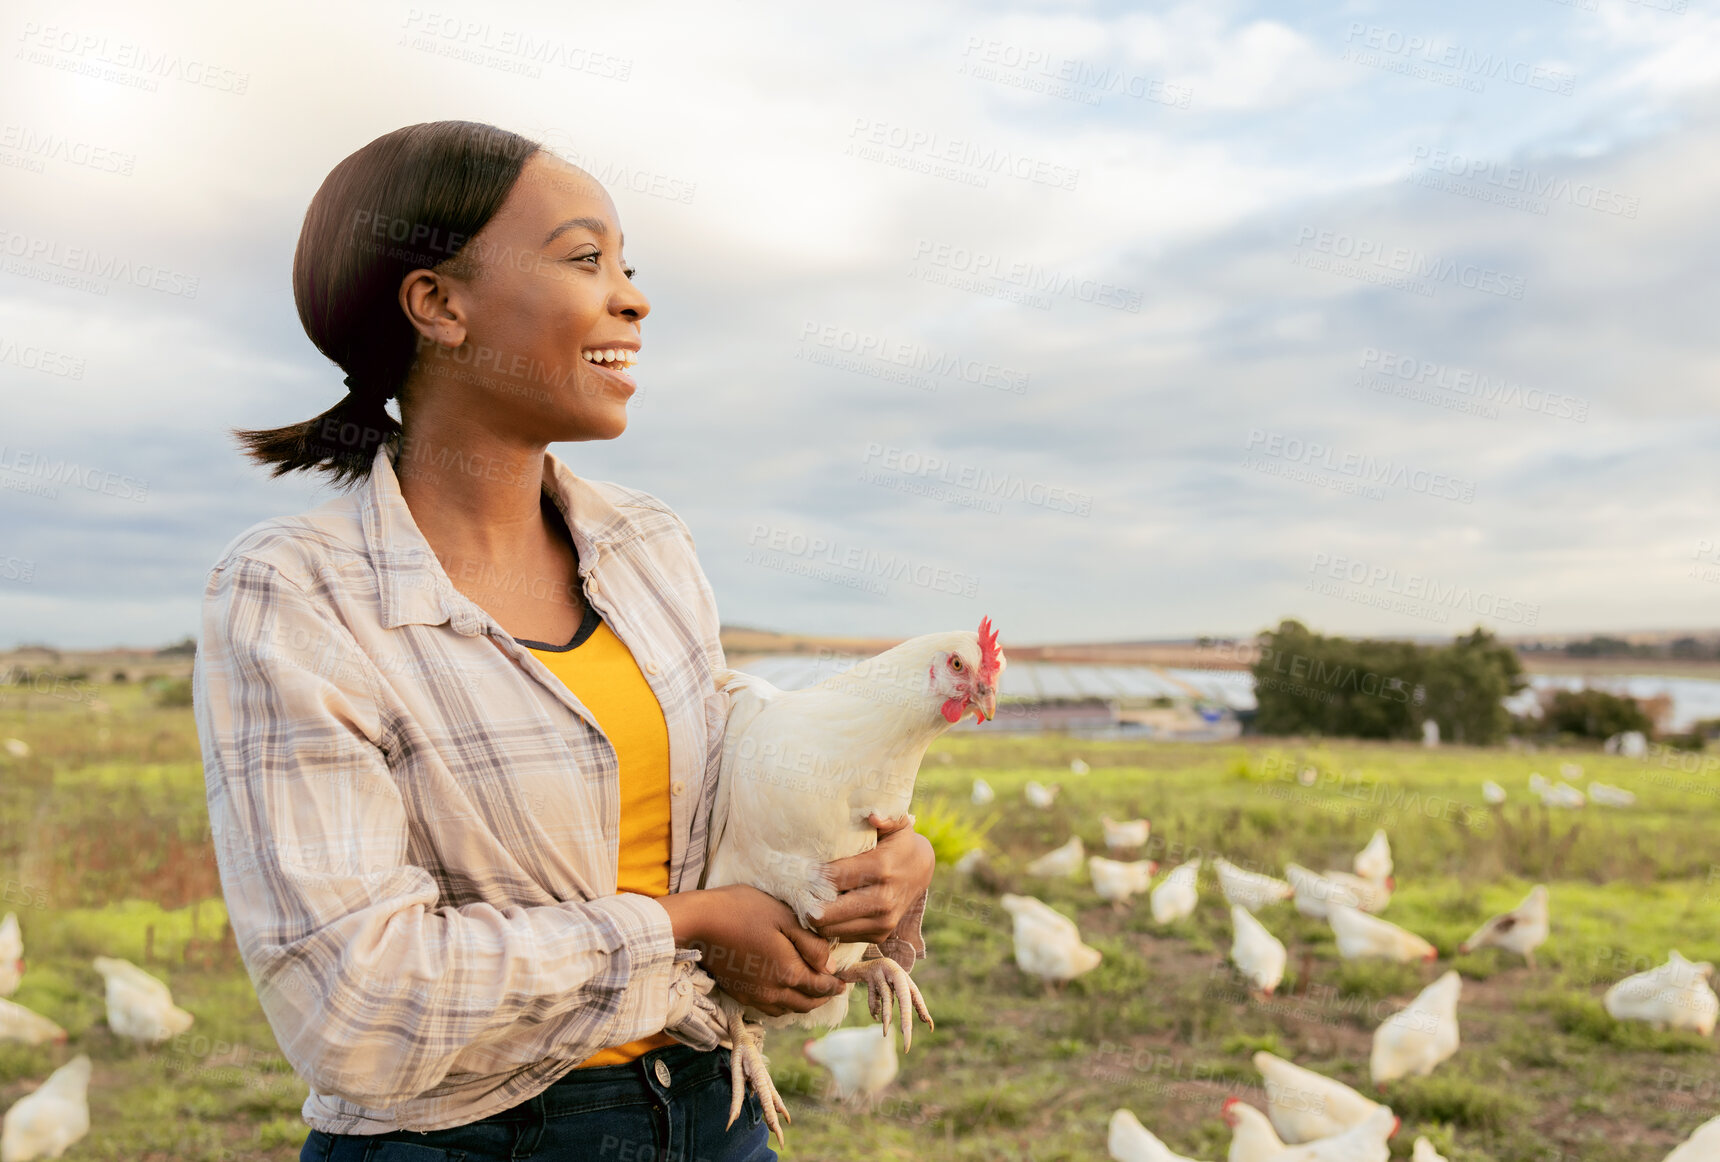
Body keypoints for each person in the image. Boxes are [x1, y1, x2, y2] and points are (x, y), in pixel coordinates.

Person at [191, 120, 935, 1162]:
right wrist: (686, 924)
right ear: (439, 306)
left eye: (629, 265)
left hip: (711, 1106)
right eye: (586, 259)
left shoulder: (647, 544)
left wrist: (881, 875)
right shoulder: (297, 592)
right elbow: (351, 1002)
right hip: (463, 1139)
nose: (630, 297)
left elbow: (733, 795)